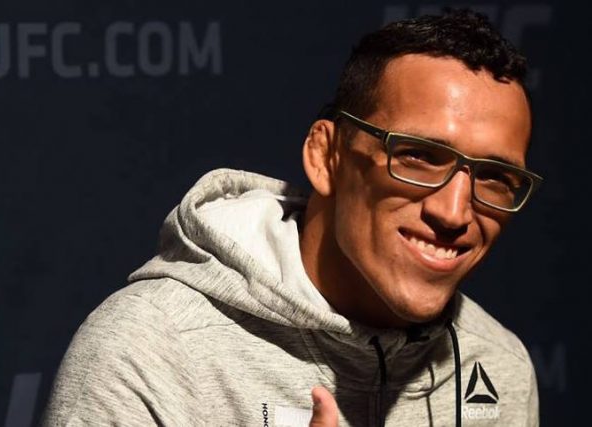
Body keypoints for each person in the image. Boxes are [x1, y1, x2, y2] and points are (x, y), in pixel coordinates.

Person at [42, 9, 541, 426]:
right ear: (326, 157)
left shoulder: (499, 365)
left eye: (495, 177)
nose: (453, 212)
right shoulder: (151, 350)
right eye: (417, 157)